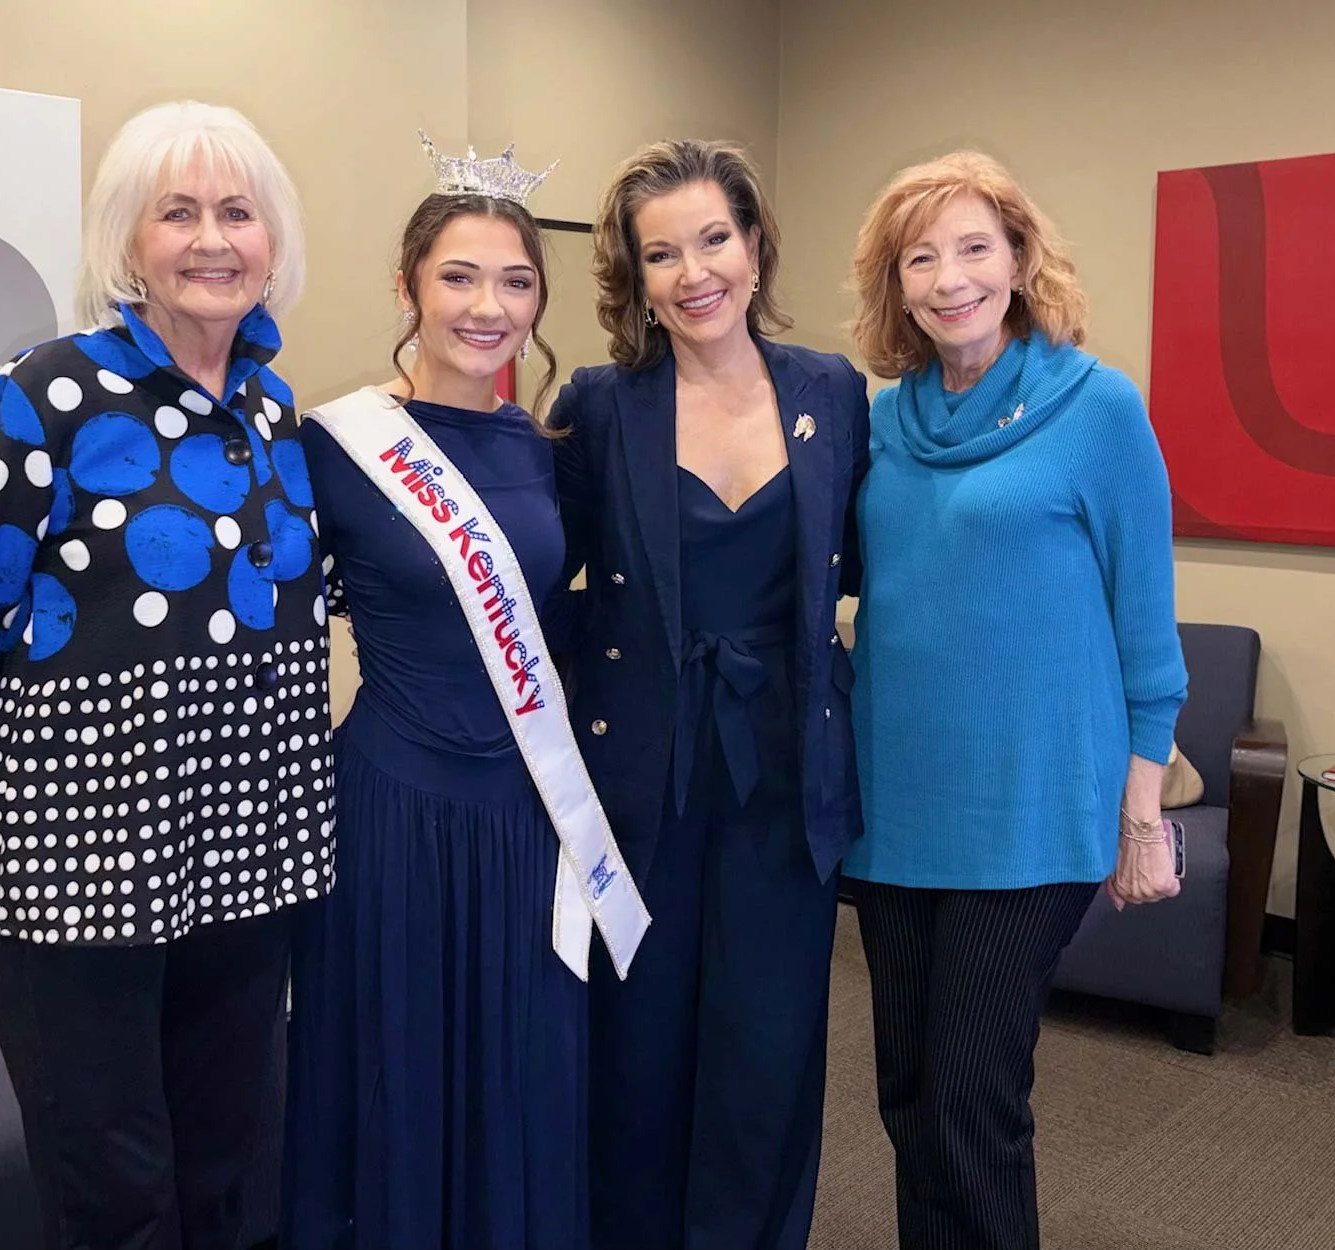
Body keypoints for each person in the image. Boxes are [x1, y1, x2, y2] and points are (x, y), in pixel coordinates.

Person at [0, 100, 327, 1250]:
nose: (213, 239)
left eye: (237, 212)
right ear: (128, 240)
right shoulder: (45, 394)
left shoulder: (272, 412)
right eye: (179, 212)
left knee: (228, 1178)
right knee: (119, 1203)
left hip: (244, 867)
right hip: (70, 875)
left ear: (273, 240)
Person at [283, 135, 647, 1250]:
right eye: (458, 276)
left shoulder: (551, 449)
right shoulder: (334, 447)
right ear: (407, 287)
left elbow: (580, 611)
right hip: (391, 803)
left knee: (520, 1057)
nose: (487, 305)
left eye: (515, 281)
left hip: (524, 812)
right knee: (398, 1056)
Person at [844, 149, 1188, 1250]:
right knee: (905, 1092)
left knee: (968, 1101)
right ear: (893, 284)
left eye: (974, 248)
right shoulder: (880, 424)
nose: (949, 279)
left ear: (1020, 257)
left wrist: (1140, 819)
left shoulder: (1095, 408)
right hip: (893, 810)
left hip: (1030, 817)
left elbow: (1146, 634)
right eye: (920, 257)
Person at [549, 138, 868, 1250]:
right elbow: (546, 579)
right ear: (633, 278)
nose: (694, 273)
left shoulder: (829, 387)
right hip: (643, 772)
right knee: (635, 1045)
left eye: (713, 239)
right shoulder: (597, 406)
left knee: (766, 1044)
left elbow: (867, 560)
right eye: (661, 254)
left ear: (752, 244)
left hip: (786, 768)